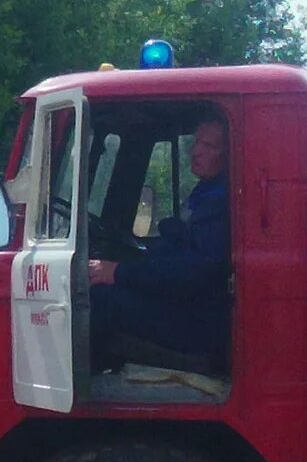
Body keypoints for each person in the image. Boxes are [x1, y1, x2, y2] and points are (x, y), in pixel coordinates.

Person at [87, 115, 232, 368]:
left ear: (231, 153)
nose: (195, 152)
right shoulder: (206, 191)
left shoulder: (220, 199)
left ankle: (85, 399)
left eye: (208, 146)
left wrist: (118, 272)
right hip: (190, 307)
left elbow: (192, 271)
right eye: (196, 143)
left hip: (197, 321)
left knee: (95, 301)